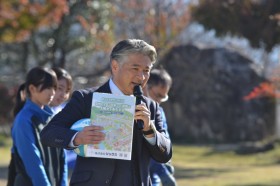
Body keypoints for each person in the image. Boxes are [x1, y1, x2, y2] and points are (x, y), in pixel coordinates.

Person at [40, 39, 172, 186]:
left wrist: (150, 131)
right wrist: (77, 137)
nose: (141, 77)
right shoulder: (86, 99)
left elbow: (165, 155)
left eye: (146, 71)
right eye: (135, 69)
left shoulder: (151, 108)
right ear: (115, 66)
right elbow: (48, 134)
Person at [11, 66, 68, 186]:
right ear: (32, 88)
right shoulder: (24, 120)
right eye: (47, 87)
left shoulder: (53, 118)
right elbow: (33, 162)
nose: (52, 92)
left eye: (54, 87)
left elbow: (62, 158)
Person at [144, 68, 177, 186]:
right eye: (157, 95)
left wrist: (167, 163)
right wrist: (162, 172)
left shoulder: (160, 112)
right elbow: (147, 147)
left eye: (163, 97)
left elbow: (164, 140)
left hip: (155, 181)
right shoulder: (137, 112)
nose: (159, 101)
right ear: (146, 86)